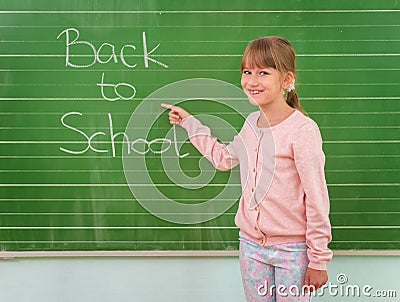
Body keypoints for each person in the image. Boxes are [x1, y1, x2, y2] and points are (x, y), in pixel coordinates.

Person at [161, 36, 332, 301]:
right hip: (251, 246)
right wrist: (190, 124)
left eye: (263, 72)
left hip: (292, 250)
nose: (252, 81)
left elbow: (317, 197)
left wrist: (318, 259)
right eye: (247, 72)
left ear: (286, 80)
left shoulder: (302, 131)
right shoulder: (252, 123)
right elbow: (224, 158)